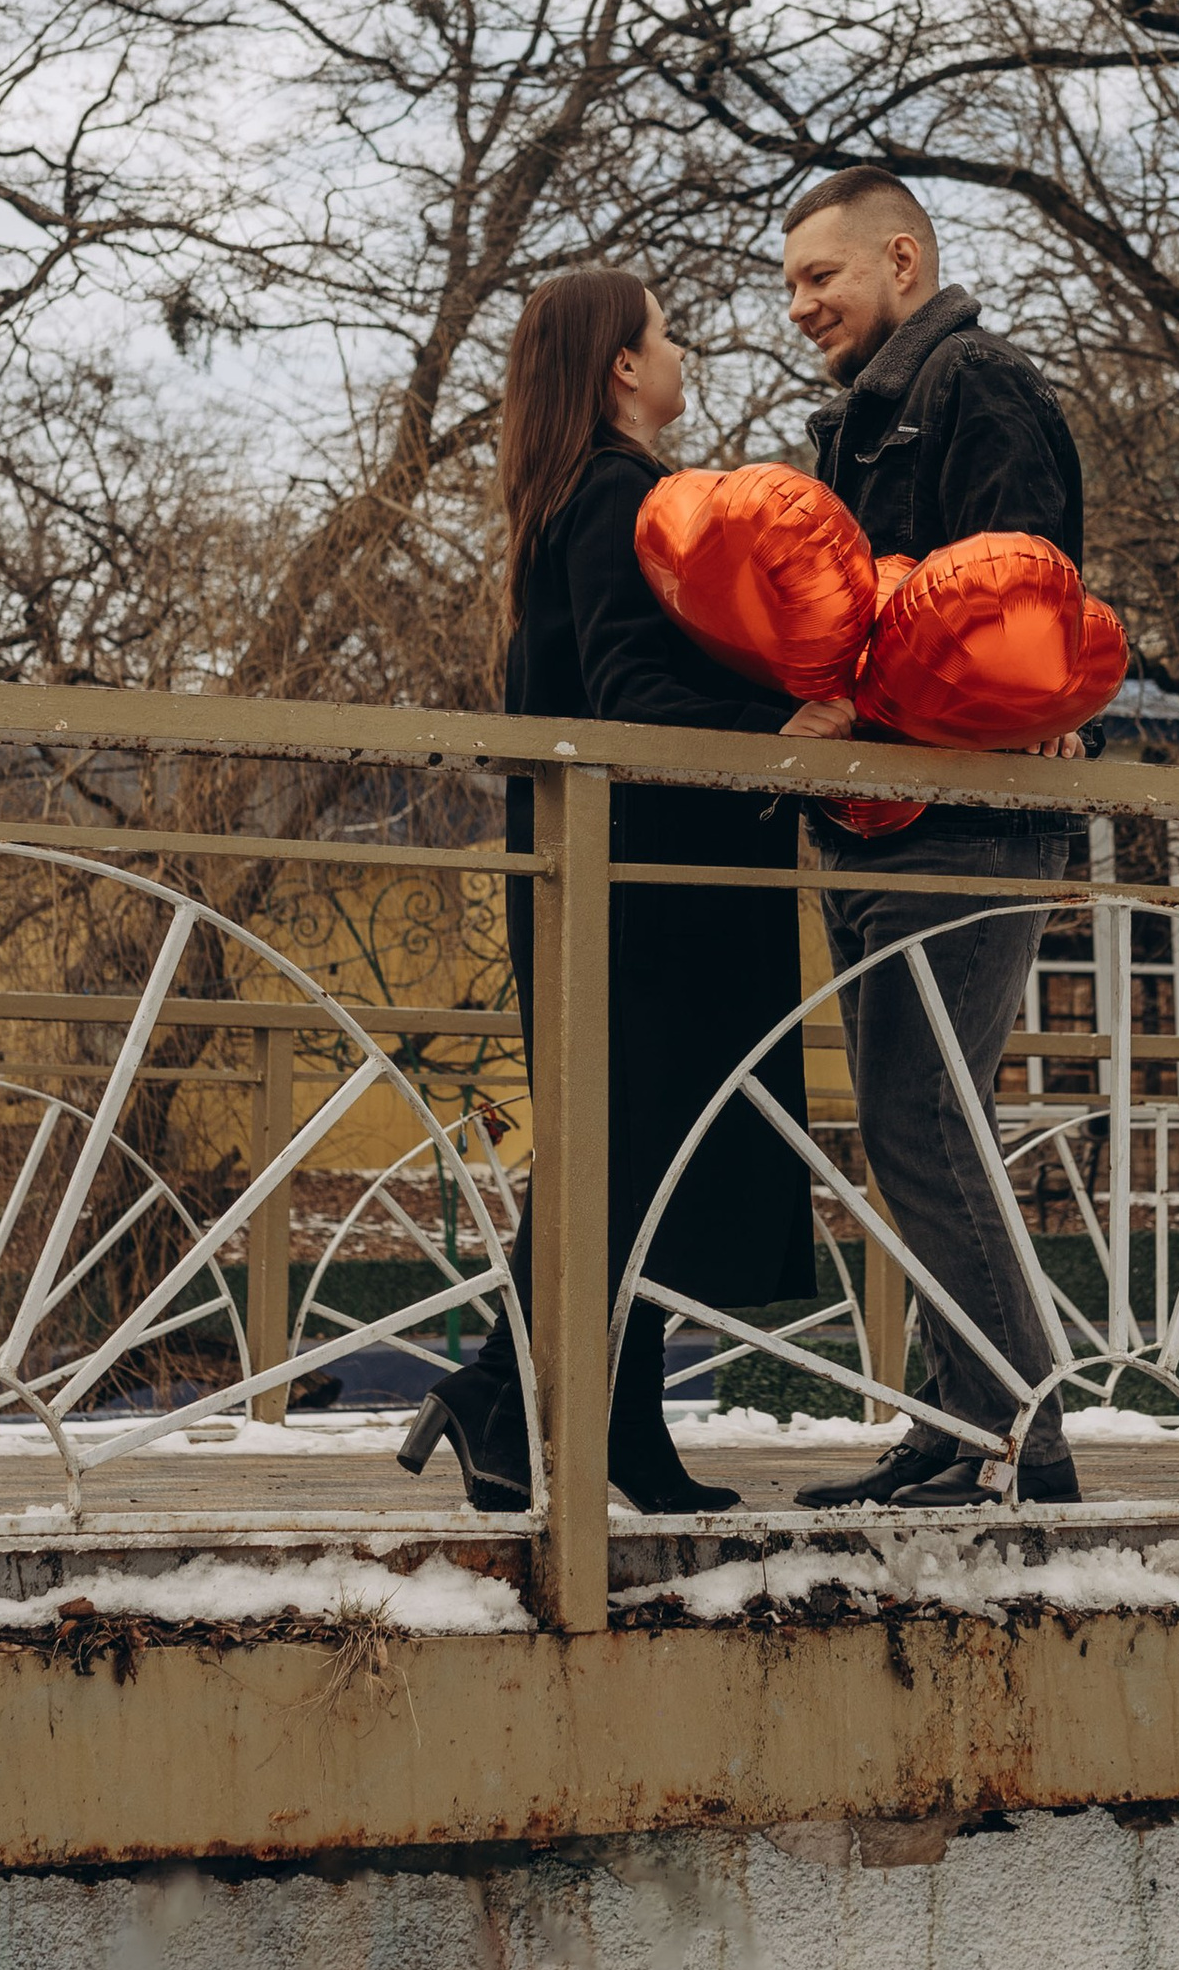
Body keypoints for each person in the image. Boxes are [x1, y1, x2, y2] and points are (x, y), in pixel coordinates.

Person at [403, 268, 852, 1514]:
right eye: (665, 334)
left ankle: (578, 1420)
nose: (680, 354)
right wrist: (777, 731)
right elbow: (627, 693)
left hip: (608, 875)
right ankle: (518, 1397)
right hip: (642, 890)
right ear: (620, 365)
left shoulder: (581, 494)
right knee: (634, 1155)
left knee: (622, 1155)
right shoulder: (618, 495)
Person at [783, 165, 1089, 1511]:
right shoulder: (851, 425)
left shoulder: (978, 387)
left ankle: (1026, 1442)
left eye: (821, 276)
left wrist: (866, 702)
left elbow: (1016, 607)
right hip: (874, 820)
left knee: (925, 1117)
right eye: (792, 284)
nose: (801, 305)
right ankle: (962, 1422)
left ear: (900, 260)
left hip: (963, 819)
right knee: (907, 1122)